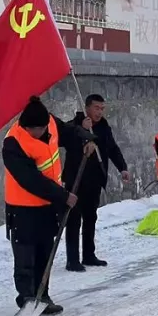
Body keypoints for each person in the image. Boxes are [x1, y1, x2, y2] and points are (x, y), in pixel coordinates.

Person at [2, 96, 93, 315]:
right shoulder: (13, 143)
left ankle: (43, 295)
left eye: (43, 128)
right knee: (25, 257)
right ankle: (27, 299)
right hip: (22, 209)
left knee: (46, 252)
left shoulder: (50, 123)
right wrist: (63, 195)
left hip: (46, 207)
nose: (40, 133)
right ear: (25, 126)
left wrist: (85, 137)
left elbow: (68, 132)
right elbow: (31, 180)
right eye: (35, 130)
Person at [59, 93, 131, 272]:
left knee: (90, 218)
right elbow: (62, 139)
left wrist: (122, 167)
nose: (100, 112)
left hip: (94, 179)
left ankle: (89, 255)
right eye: (97, 108)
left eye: (102, 108)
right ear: (88, 107)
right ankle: (72, 259)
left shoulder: (104, 127)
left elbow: (112, 148)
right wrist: (81, 128)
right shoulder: (74, 125)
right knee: (74, 220)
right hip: (76, 180)